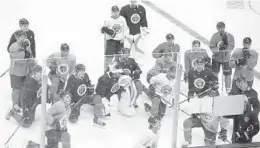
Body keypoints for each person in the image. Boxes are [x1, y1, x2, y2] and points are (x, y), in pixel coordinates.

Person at [8, 30, 35, 117]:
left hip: (24, 71)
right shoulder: (13, 46)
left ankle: (20, 103)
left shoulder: (26, 45)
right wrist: (24, 53)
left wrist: (28, 51)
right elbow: (14, 57)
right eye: (21, 37)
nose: (23, 38)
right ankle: (15, 106)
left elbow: (30, 56)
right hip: (15, 72)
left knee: (24, 89)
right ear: (16, 37)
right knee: (16, 90)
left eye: (24, 36)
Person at [227, 76, 260, 143]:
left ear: (246, 83)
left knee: (246, 136)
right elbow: (229, 102)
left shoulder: (253, 93)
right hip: (237, 115)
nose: (239, 86)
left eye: (241, 83)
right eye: (238, 84)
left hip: (248, 117)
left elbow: (257, 106)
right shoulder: (235, 91)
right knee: (236, 134)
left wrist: (254, 115)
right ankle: (234, 142)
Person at [101, 5, 129, 72]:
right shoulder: (108, 20)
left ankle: (118, 71)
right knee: (108, 57)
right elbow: (103, 31)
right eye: (114, 12)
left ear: (119, 12)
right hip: (111, 41)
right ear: (111, 12)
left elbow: (126, 29)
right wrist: (104, 30)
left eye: (117, 11)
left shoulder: (122, 19)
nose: (115, 13)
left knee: (119, 57)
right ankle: (106, 72)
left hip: (120, 41)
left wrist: (124, 37)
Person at [209, 21, 235, 93]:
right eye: (220, 28)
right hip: (216, 58)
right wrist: (218, 48)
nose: (221, 29)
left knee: (228, 74)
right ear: (217, 28)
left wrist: (226, 48)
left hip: (226, 58)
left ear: (224, 27)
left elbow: (232, 45)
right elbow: (211, 46)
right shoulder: (214, 36)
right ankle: (215, 87)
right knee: (215, 73)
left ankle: (228, 88)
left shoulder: (230, 36)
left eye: (223, 27)